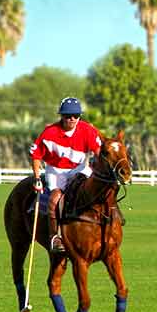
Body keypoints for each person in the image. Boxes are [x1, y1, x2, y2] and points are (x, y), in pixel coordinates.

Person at [29, 97, 102, 253]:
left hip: (79, 169)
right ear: (61, 116)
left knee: (95, 190)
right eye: (68, 116)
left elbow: (99, 153)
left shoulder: (87, 130)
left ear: (79, 116)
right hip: (56, 171)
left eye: (75, 116)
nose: (72, 119)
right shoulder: (50, 132)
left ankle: (102, 225)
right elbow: (36, 155)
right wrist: (36, 178)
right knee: (55, 197)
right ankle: (55, 237)